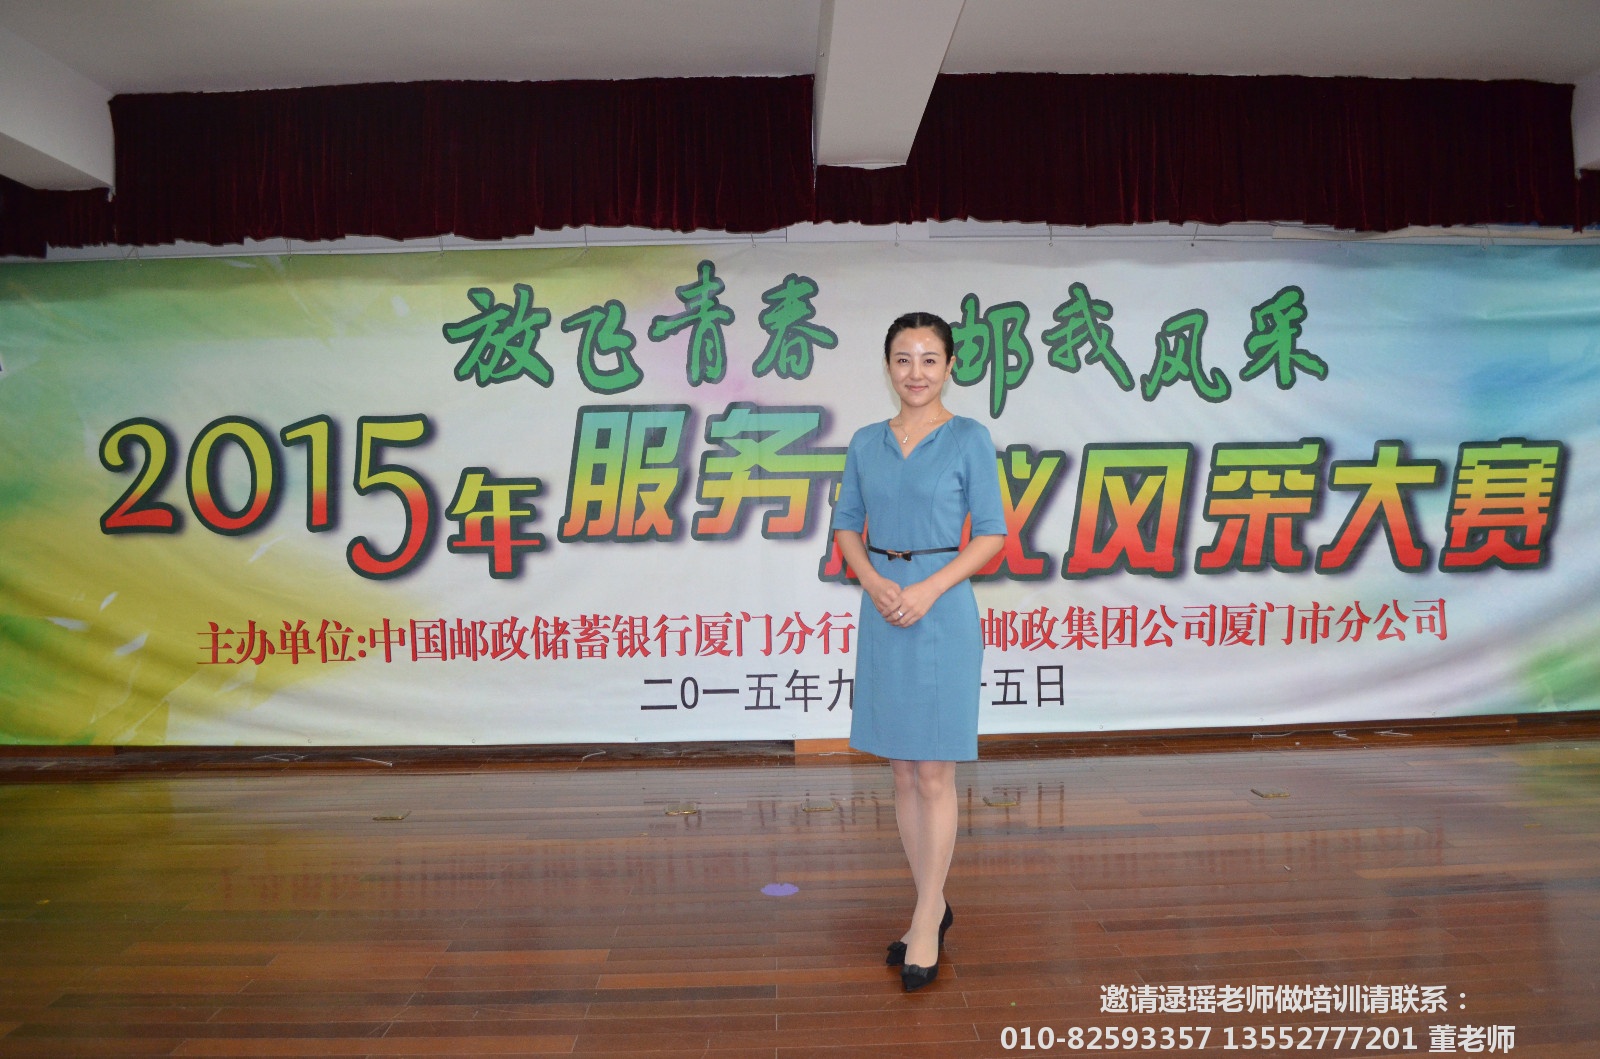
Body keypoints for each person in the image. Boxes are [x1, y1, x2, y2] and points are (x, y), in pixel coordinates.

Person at [831, 311, 1007, 992]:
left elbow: (990, 534)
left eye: (930, 358)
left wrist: (928, 588)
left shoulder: (969, 438)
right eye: (903, 358)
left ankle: (928, 915)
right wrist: (874, 582)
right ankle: (928, 901)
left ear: (950, 366)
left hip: (941, 609)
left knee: (935, 772)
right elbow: (848, 526)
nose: (916, 372)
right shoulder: (866, 442)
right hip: (884, 609)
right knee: (903, 771)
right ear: (888, 367)